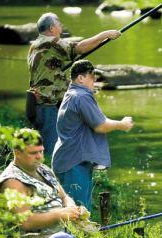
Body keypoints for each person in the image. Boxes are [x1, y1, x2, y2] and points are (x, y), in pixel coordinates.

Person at [28, 12, 121, 156]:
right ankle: (50, 176)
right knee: (49, 150)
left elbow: (49, 67)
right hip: (47, 105)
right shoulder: (51, 43)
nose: (61, 26)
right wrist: (105, 34)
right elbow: (80, 48)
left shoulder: (35, 45)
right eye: (58, 23)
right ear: (52, 28)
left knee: (45, 145)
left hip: (37, 103)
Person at [52, 59, 134, 211]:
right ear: (80, 78)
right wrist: (121, 125)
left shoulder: (72, 94)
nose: (95, 79)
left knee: (74, 212)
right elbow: (100, 125)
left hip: (69, 160)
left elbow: (100, 120)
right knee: (78, 214)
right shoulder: (82, 96)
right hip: (73, 163)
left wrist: (117, 122)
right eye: (91, 76)